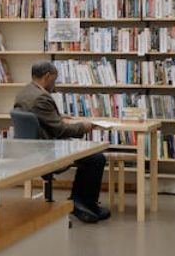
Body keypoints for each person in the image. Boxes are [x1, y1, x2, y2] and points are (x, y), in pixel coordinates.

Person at [13, 61, 110, 224]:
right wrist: (84, 127)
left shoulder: (25, 92)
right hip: (46, 150)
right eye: (54, 79)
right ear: (47, 76)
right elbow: (61, 131)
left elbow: (43, 119)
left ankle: (81, 201)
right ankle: (82, 203)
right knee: (96, 158)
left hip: (31, 148)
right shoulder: (41, 97)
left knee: (90, 157)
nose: (55, 83)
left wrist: (58, 118)